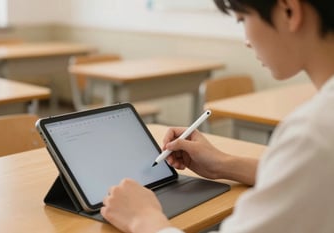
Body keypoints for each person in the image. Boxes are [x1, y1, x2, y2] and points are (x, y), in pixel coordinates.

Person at [100, 0, 334, 232]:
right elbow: (307, 175)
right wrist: (223, 165)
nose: (246, 41)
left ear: (289, 10)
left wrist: (144, 220)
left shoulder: (313, 134)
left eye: (243, 19)